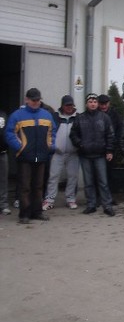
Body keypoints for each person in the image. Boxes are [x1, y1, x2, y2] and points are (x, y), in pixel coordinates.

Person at [6, 88, 56, 223]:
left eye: (38, 100)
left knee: (39, 186)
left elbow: (52, 132)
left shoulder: (47, 115)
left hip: (41, 156)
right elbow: (10, 133)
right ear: (27, 100)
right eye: (33, 100)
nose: (36, 102)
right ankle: (24, 214)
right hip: (24, 157)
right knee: (25, 186)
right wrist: (21, 147)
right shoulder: (17, 115)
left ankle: (37, 212)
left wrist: (50, 147)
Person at [70, 93, 116, 216]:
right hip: (85, 155)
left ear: (97, 104)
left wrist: (109, 150)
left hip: (100, 155)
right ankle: (91, 204)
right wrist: (80, 144)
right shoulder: (80, 118)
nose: (93, 104)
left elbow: (110, 135)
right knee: (88, 182)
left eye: (95, 102)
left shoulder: (104, 118)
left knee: (103, 182)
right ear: (86, 103)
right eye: (90, 102)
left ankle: (107, 205)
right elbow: (73, 134)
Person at [43, 95, 80, 211]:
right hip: (57, 153)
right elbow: (48, 132)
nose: (69, 107)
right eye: (67, 105)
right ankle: (49, 200)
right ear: (62, 105)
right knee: (53, 177)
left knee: (72, 177)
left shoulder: (78, 117)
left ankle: (71, 199)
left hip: (73, 153)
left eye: (71, 105)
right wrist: (51, 146)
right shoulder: (54, 117)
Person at [97, 94, 123, 206]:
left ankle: (109, 197)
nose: (103, 106)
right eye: (101, 104)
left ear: (109, 103)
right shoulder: (95, 114)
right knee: (97, 175)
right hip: (97, 149)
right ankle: (97, 198)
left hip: (110, 149)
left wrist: (114, 145)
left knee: (109, 174)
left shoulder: (114, 114)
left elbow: (119, 129)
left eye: (105, 104)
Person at [0, 108, 11, 215]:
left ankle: (3, 205)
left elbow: (8, 131)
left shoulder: (3, 114)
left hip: (2, 152)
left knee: (3, 180)